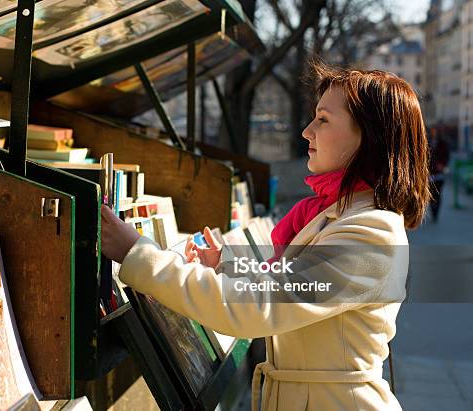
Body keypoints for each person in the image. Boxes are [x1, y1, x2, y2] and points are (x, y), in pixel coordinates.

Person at [101, 62, 431, 411]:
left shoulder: (369, 233)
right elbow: (288, 283)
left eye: (323, 119)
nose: (306, 131)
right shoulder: (341, 215)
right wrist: (228, 265)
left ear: (368, 137)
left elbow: (257, 307)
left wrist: (137, 252)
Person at [428, 127, 450, 222]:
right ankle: (433, 212)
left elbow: (446, 156)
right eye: (432, 131)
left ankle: (436, 214)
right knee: (430, 195)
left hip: (439, 174)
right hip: (429, 174)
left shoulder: (443, 143)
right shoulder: (426, 142)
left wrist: (443, 165)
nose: (434, 132)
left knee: (438, 194)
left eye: (435, 131)